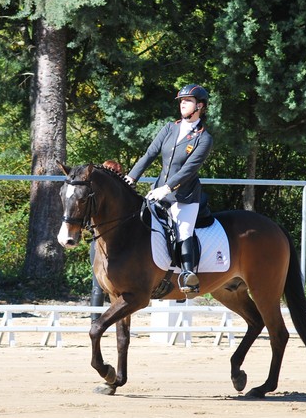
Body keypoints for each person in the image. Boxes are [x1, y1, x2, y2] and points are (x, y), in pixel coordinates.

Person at [125, 84, 214, 293]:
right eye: (181, 101)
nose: (182, 103)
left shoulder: (204, 138)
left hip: (184, 196)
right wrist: (131, 177)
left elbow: (189, 170)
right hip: (157, 192)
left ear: (199, 106)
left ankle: (187, 276)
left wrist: (167, 188)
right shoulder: (170, 128)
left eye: (188, 101)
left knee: (183, 231)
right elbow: (149, 154)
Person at [90, 159, 122, 321]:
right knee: (98, 285)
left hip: (119, 242)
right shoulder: (97, 192)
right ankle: (95, 319)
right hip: (100, 240)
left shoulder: (124, 190)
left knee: (117, 287)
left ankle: (116, 318)